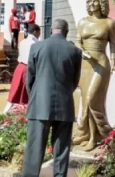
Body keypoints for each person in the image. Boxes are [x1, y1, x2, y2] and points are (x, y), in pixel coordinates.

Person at [22, 19, 82, 177]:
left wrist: (35, 96)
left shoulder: (37, 47)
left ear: (50, 31)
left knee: (34, 150)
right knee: (62, 149)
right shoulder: (75, 51)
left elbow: (29, 79)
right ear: (66, 32)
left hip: (40, 104)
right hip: (65, 104)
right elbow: (75, 81)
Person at [72, 0, 115, 152]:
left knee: (93, 99)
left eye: (95, 1)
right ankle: (88, 133)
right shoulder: (82, 22)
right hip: (85, 65)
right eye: (90, 1)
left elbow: (113, 44)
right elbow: (77, 41)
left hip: (101, 63)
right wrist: (82, 51)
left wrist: (113, 63)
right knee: (86, 102)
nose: (92, 5)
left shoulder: (108, 23)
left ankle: (98, 135)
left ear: (102, 4)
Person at [3, 23, 41, 114]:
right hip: (28, 68)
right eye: (39, 32)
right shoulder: (35, 43)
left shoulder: (23, 41)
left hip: (19, 67)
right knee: (28, 92)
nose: (39, 34)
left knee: (14, 91)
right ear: (35, 32)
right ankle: (29, 114)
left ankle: (5, 112)